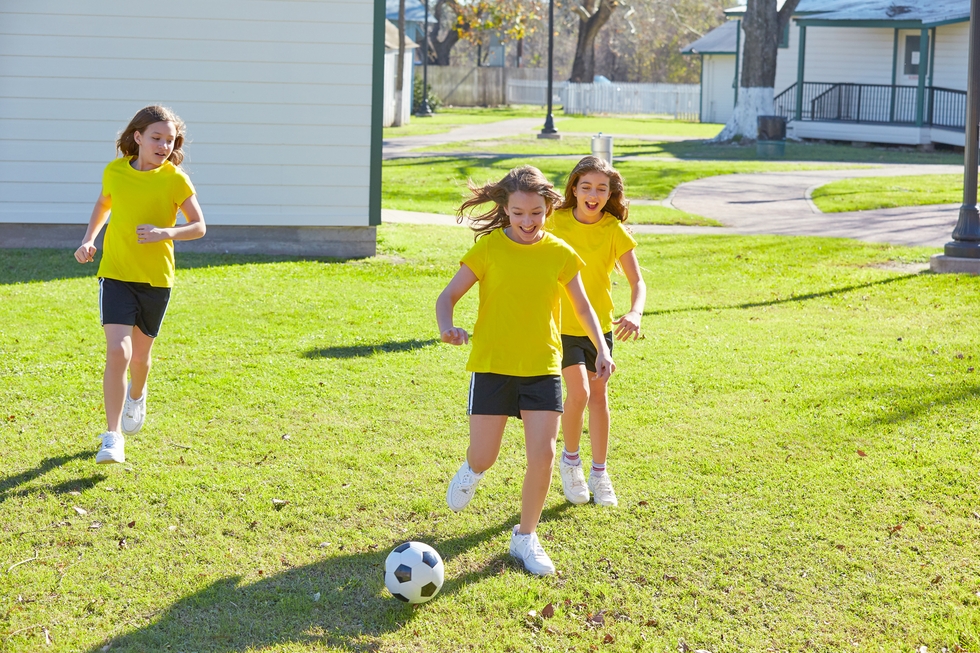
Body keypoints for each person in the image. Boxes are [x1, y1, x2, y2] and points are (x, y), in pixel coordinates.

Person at [435, 165, 614, 576]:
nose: (528, 222)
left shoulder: (560, 253)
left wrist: (601, 348)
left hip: (542, 367)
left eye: (536, 213)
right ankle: (472, 470)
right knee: (485, 455)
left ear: (548, 208)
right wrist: (447, 327)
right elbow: (448, 296)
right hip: (493, 366)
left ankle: (526, 537)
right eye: (519, 214)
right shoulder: (488, 250)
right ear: (506, 209)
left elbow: (584, 307)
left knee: (544, 455)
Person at [74, 105, 206, 464]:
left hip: (156, 280)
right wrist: (89, 239)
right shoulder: (116, 171)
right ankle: (112, 436)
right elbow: (104, 204)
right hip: (115, 273)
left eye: (170, 139)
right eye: (156, 138)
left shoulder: (175, 179)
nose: (164, 145)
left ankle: (138, 394)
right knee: (119, 351)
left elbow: (199, 226)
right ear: (138, 137)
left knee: (141, 358)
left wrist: (167, 232)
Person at [547, 156, 646, 508]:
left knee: (599, 396)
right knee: (579, 393)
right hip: (560, 326)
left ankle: (600, 473)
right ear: (573, 188)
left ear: (610, 194)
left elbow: (637, 281)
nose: (593, 194)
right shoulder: (553, 220)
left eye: (601, 189)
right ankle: (570, 462)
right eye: (585, 186)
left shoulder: (613, 231)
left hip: (599, 328)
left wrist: (634, 311)